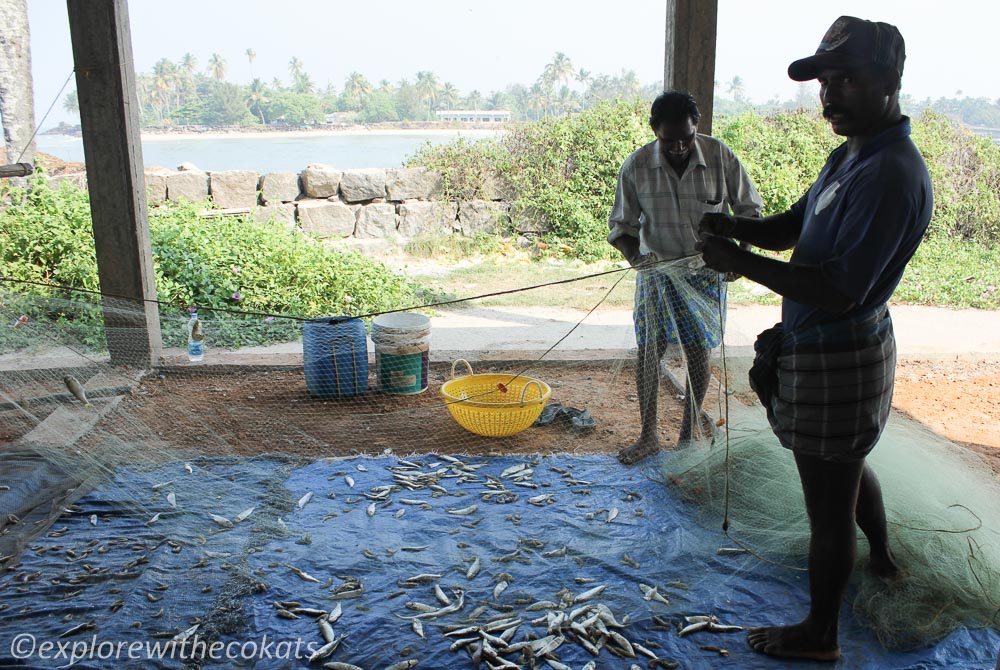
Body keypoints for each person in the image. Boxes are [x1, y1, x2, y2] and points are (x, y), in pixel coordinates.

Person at [698, 16, 932, 662]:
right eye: (825, 81)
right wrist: (736, 229)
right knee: (846, 469)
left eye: (847, 79)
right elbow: (792, 228)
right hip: (825, 344)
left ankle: (820, 634)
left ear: (889, 81)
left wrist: (735, 261)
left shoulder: (891, 173)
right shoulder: (851, 154)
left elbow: (838, 287)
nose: (829, 95)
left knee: (828, 508)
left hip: (841, 344)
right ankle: (882, 558)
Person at [608, 91, 763, 465]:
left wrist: (738, 257)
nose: (678, 147)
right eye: (668, 140)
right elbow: (621, 227)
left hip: (705, 273)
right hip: (657, 272)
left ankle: (687, 434)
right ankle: (648, 437)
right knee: (649, 351)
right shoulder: (638, 166)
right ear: (654, 133)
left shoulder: (720, 157)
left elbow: (750, 211)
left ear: (697, 128)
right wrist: (636, 258)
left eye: (686, 137)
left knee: (698, 352)